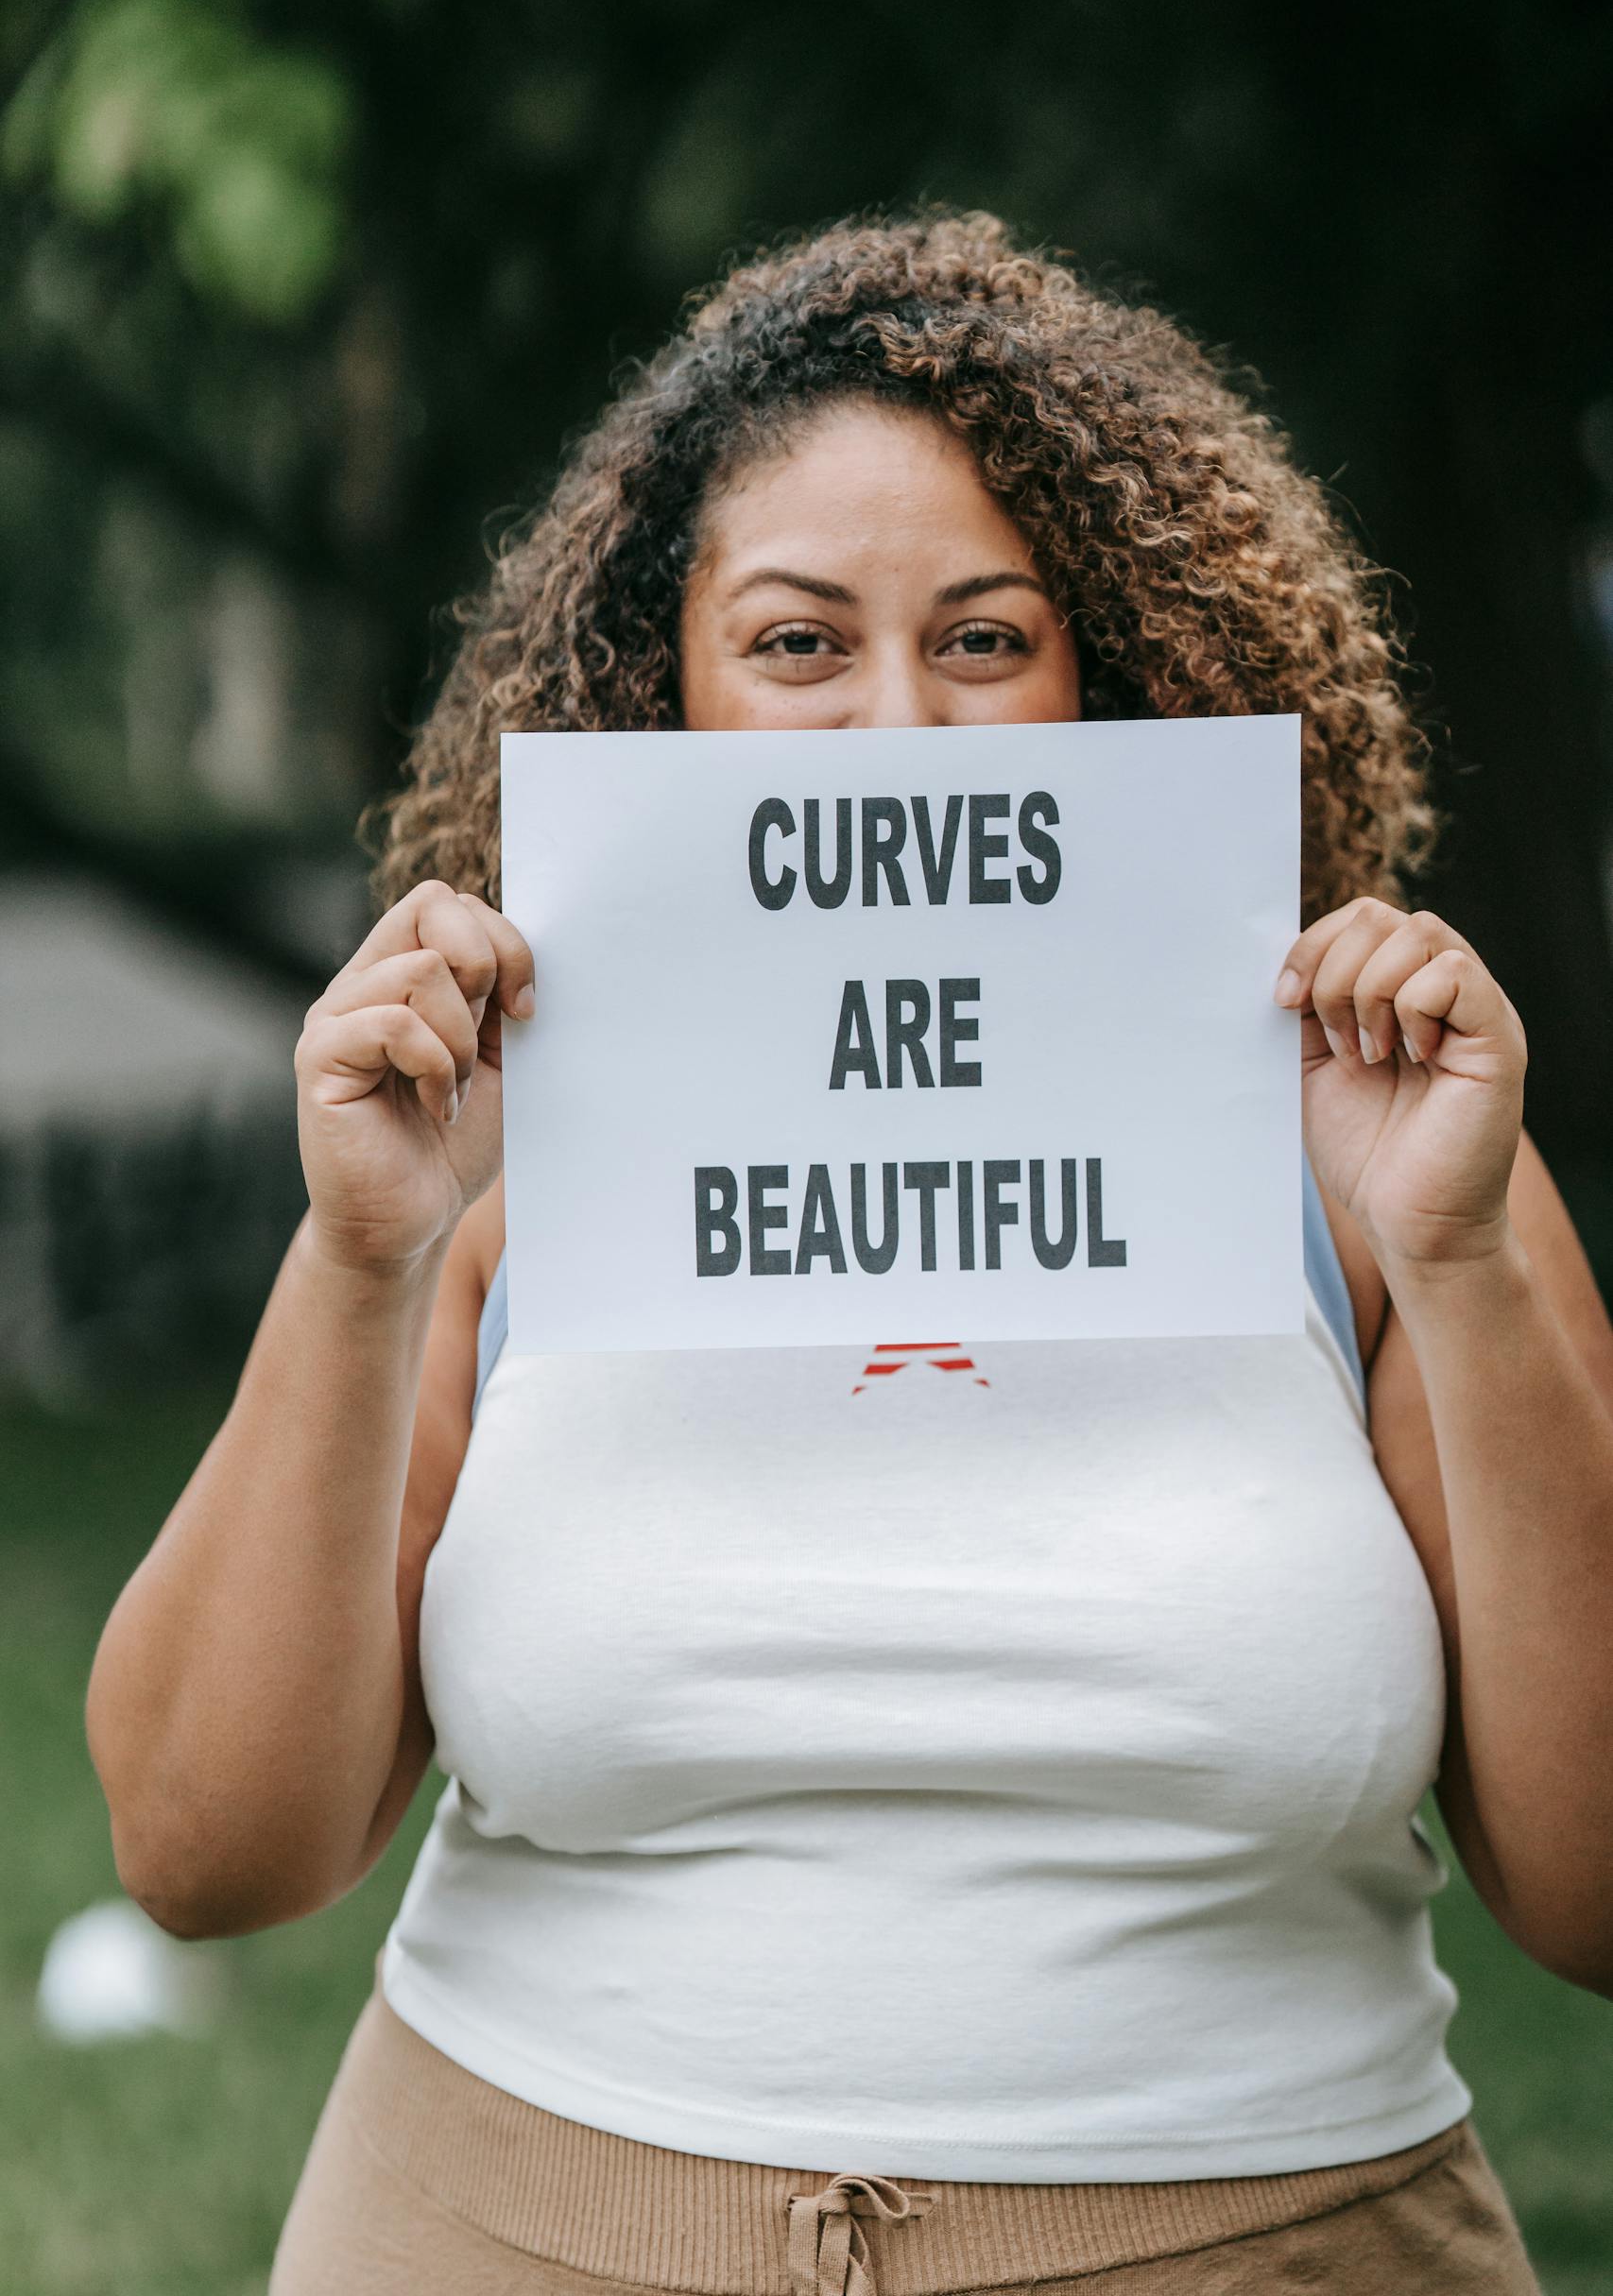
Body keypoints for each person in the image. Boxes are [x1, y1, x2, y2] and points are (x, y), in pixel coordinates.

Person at [85, 209, 1613, 2296]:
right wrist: (360, 1262)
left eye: (984, 638)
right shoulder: (486, 1165)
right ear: (667, 691)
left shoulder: (1376, 1150)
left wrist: (1453, 1258)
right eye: (798, 643)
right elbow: (197, 1848)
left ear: (1111, 680)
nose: (896, 726)